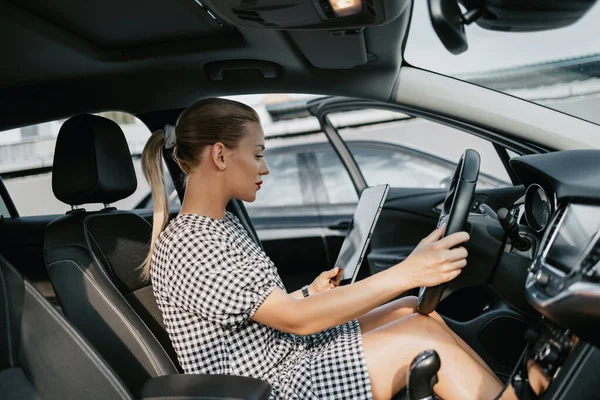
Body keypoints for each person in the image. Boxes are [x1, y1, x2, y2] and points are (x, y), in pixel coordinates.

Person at [141, 98, 547, 400]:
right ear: (220, 155)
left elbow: (251, 312)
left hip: (284, 359)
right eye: (258, 153)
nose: (265, 167)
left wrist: (308, 293)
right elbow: (295, 322)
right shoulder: (191, 242)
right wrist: (409, 271)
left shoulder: (220, 224)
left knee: (410, 309)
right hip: (268, 388)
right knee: (419, 336)